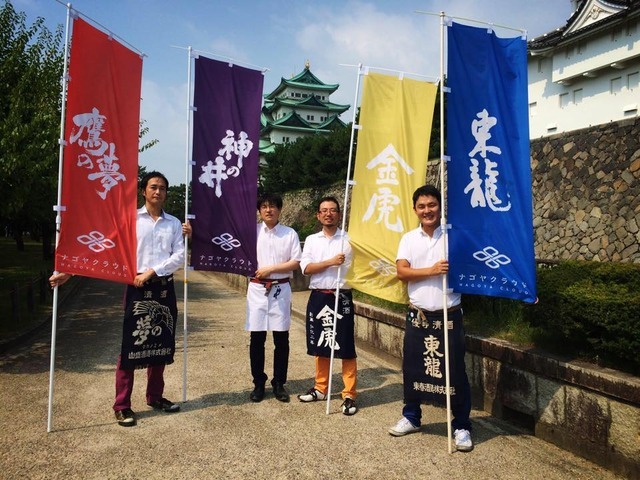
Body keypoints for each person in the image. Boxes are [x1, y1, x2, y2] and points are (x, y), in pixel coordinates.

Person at [50, 171, 189, 427]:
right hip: (137, 287)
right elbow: (105, 246)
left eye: (162, 188)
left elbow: (179, 256)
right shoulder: (130, 220)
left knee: (160, 342)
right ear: (144, 191)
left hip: (163, 288)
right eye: (153, 187)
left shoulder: (173, 223)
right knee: (131, 346)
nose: (158, 192)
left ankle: (155, 396)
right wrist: (69, 271)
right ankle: (122, 405)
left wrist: (152, 271)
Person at [387, 184, 473, 452]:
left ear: (440, 206)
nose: (427, 210)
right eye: (422, 206)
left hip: (449, 315)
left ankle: (461, 425)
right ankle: (412, 417)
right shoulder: (408, 239)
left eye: (432, 205)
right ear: (415, 210)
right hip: (419, 316)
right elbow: (402, 272)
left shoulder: (454, 235)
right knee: (413, 367)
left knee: (455, 371)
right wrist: (432, 270)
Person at [297, 196, 358, 415]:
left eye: (332, 210)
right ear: (318, 215)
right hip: (319, 296)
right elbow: (306, 268)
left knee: (346, 346)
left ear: (339, 214)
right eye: (324, 210)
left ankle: (349, 394)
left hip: (342, 296)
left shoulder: (350, 239)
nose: (328, 214)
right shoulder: (312, 240)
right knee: (321, 344)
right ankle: (321, 388)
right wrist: (331, 262)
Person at [246, 194, 301, 403]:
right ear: (259, 210)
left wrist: (271, 269)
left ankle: (279, 382)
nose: (268, 210)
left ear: (280, 209)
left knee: (281, 338)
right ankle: (258, 382)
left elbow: (296, 261)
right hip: (257, 289)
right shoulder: (251, 232)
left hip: (280, 288)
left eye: (272, 206)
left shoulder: (289, 233)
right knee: (257, 338)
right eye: (264, 207)